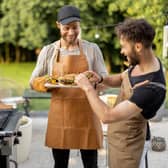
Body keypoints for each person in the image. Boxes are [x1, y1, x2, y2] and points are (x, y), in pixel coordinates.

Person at [75, 18, 166, 168]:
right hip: (119, 140)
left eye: (124, 47)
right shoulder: (144, 61)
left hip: (129, 148)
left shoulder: (151, 88)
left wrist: (88, 88)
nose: (122, 51)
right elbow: (122, 77)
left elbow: (106, 116)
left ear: (138, 46)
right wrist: (101, 79)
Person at [29, 5, 108, 168]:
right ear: (58, 25)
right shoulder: (49, 51)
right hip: (60, 116)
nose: (71, 32)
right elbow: (33, 81)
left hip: (87, 114)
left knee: (91, 164)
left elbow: (105, 79)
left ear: (80, 26)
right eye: (67, 28)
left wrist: (98, 79)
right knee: (60, 164)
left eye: (75, 27)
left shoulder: (92, 49)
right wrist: (47, 83)